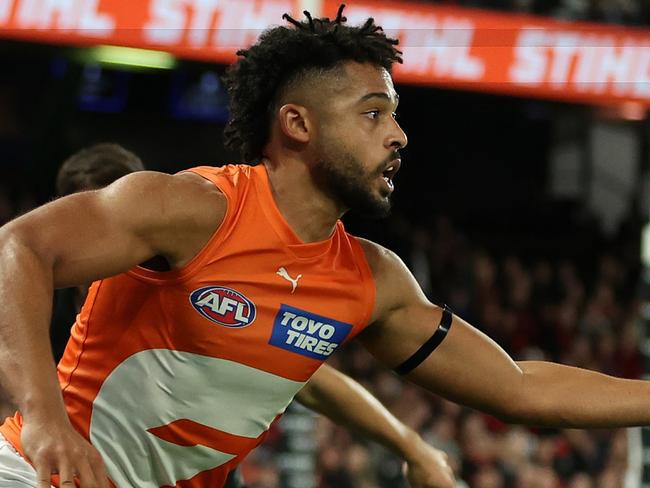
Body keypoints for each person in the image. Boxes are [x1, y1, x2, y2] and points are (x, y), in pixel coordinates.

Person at [0, 5, 649, 487]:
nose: (398, 136)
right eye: (373, 113)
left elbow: (519, 389)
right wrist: (46, 418)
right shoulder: (193, 208)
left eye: (395, 115)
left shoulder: (370, 280)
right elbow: (17, 250)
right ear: (298, 124)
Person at [47, 142, 453, 488]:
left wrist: (411, 445)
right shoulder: (45, 304)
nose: (107, 225)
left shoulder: (185, 282)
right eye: (91, 211)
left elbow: (315, 382)